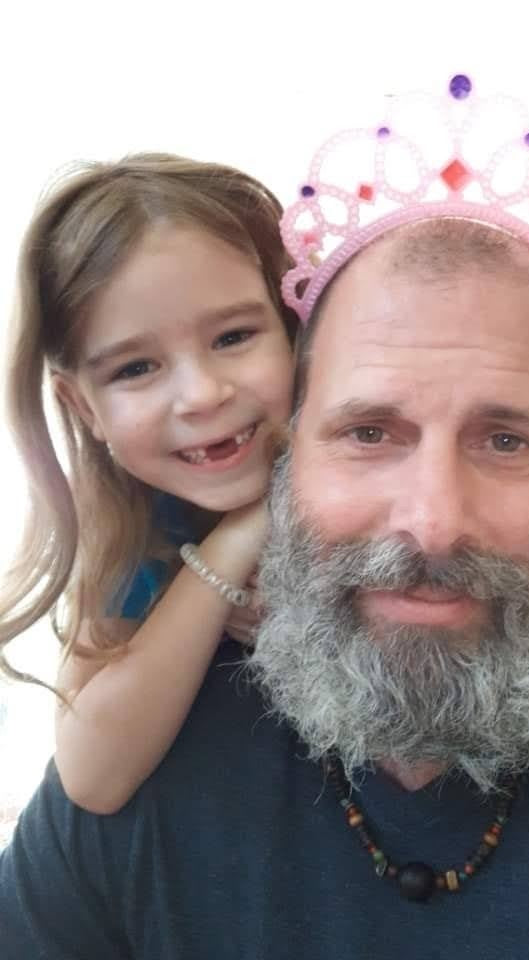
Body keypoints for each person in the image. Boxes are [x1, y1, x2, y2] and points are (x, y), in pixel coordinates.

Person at [2, 77, 529, 959]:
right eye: (369, 431)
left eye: (505, 439)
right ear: (298, 436)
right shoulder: (130, 797)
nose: (434, 523)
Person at [0, 154, 296, 815]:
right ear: (83, 409)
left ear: (294, 328)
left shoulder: (380, 476)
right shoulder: (133, 517)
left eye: (235, 335)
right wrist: (237, 539)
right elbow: (91, 776)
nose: (200, 395)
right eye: (136, 368)